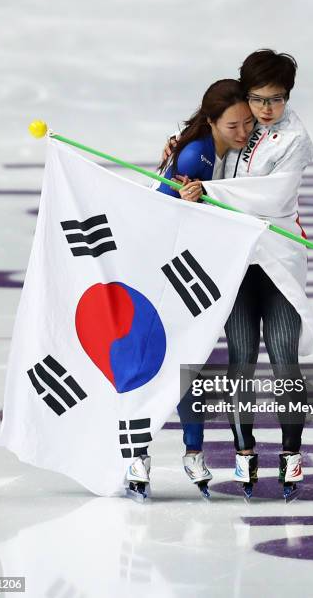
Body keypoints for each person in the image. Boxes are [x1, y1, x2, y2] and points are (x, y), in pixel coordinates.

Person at [161, 49, 313, 500]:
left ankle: (291, 455)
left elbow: (273, 196)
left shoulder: (295, 139)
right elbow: (201, 139)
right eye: (258, 99)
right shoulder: (236, 120)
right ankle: (244, 454)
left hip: (277, 256)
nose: (266, 110)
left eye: (277, 99)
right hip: (234, 259)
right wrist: (177, 156)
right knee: (242, 360)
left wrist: (207, 190)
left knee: (285, 356)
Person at [125, 78, 255, 499]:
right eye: (234, 125)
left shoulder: (210, 149)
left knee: (189, 362)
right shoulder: (196, 155)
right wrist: (195, 201)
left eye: (247, 124)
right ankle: (140, 456)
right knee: (160, 362)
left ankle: (188, 452)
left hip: (185, 269)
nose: (243, 133)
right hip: (163, 271)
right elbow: (167, 213)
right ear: (213, 121)